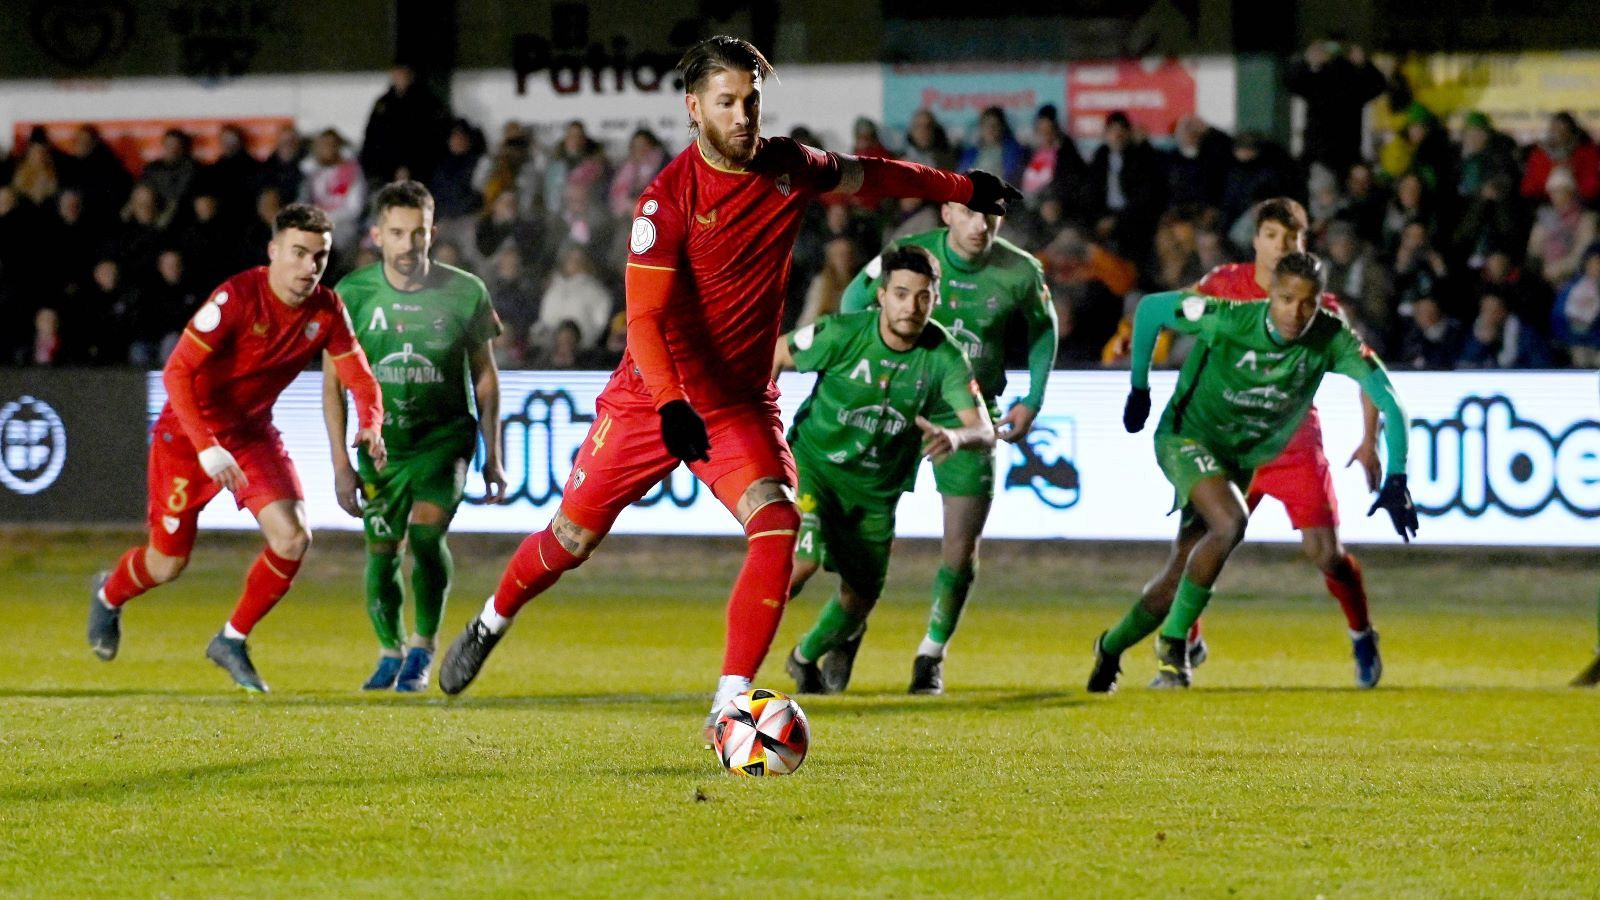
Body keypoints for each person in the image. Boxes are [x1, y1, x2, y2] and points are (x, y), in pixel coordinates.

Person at [431, 35, 1021, 741]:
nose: (743, 116)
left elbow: (870, 174)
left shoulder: (789, 166)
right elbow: (643, 319)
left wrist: (962, 188)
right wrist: (673, 403)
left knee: (778, 524)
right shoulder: (665, 203)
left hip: (739, 405)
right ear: (693, 108)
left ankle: (729, 704)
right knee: (570, 538)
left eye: (751, 101)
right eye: (727, 103)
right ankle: (492, 618)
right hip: (653, 397)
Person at [86, 203, 385, 691]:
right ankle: (109, 595)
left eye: (320, 257)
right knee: (167, 564)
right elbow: (177, 372)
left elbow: (360, 378)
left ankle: (231, 639)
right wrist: (205, 447)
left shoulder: (327, 309)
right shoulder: (236, 298)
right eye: (298, 253)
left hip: (250, 435)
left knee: (292, 538)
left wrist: (371, 424)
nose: (309, 267)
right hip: (187, 436)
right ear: (273, 252)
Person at [1089, 252, 1417, 693]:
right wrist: (1139, 387)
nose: (1295, 313)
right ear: (1269, 296)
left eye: (1307, 303)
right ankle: (1174, 645)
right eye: (1285, 299)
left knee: (1180, 573)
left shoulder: (1330, 337)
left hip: (1252, 453)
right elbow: (1149, 310)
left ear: (1321, 302)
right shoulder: (1228, 316)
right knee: (1230, 522)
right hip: (1191, 439)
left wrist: (1397, 476)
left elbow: (1391, 401)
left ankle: (1110, 647)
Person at [834, 201, 1057, 694]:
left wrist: (1034, 398)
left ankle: (930, 656)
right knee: (865, 541)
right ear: (948, 213)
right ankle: (844, 630)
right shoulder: (908, 258)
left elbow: (1045, 329)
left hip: (971, 418)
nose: (982, 226)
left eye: (991, 217)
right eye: (972, 214)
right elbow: (852, 303)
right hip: (897, 407)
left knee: (960, 549)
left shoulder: (1020, 271)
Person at [774, 246, 993, 694]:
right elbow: (776, 353)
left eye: (922, 296)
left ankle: (803, 656)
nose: (911, 306)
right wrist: (763, 419)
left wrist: (955, 437)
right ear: (882, 296)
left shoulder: (943, 355)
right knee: (803, 561)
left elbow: (983, 429)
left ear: (935, 299)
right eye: (900, 293)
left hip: (876, 491)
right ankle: (735, 676)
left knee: (860, 598)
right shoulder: (841, 333)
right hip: (815, 469)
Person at [1189, 199, 1388, 686]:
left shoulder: (1322, 308)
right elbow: (1177, 310)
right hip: (1233, 446)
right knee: (1201, 544)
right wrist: (1136, 338)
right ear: (1256, 240)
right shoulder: (1222, 283)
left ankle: (1362, 633)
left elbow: (1371, 375)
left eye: (1293, 239)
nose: (1282, 246)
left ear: (1305, 245)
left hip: (1294, 446)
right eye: (1274, 236)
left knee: (1325, 553)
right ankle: (1184, 640)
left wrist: (1370, 439)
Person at [323, 181, 505, 693]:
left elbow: (485, 375)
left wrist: (494, 455)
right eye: (397, 233)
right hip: (381, 449)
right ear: (377, 235)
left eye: (418, 232)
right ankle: (390, 651)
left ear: (433, 231)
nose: (408, 244)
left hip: (444, 440)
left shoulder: (465, 290)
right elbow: (333, 384)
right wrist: (340, 462)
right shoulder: (351, 296)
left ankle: (423, 646)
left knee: (425, 536)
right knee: (381, 554)